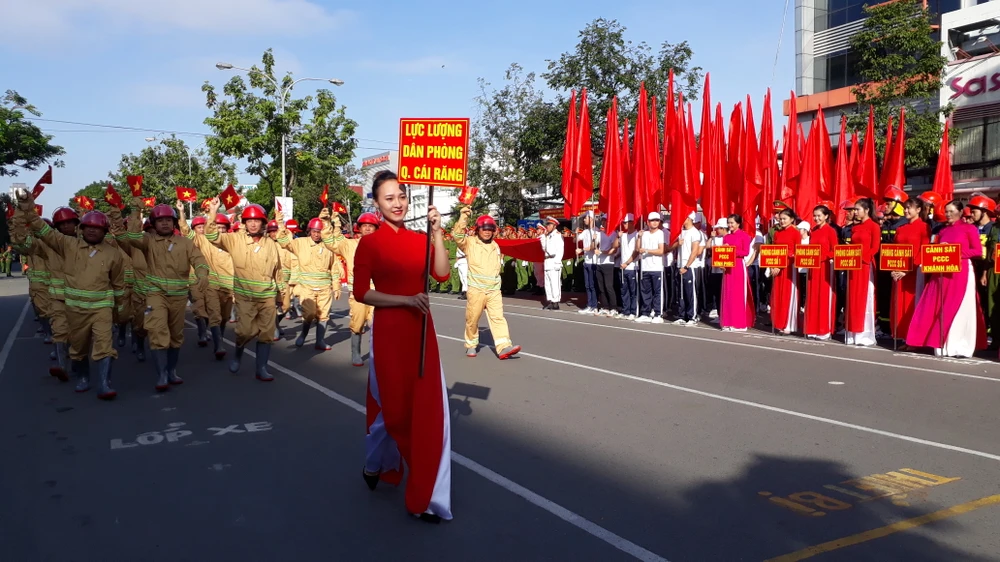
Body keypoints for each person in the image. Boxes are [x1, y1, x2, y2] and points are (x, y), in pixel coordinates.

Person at [353, 170, 452, 523]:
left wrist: (437, 232)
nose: (397, 203)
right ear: (376, 203)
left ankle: (425, 496)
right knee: (394, 412)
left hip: (421, 334)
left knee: (424, 413)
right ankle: (375, 461)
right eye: (389, 198)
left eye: (401, 196)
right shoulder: (370, 243)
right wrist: (405, 300)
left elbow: (442, 274)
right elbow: (361, 292)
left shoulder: (420, 239)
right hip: (390, 333)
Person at [15, 190, 126, 399]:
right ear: (81, 229)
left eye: (97, 228)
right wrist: (27, 206)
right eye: (88, 227)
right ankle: (83, 377)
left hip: (102, 309)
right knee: (78, 348)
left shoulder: (113, 254)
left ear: (104, 231)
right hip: (74, 309)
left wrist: (120, 310)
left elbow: (118, 284)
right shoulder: (68, 245)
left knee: (105, 346)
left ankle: (104, 384)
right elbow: (42, 229)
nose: (92, 231)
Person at [118, 199, 209, 391]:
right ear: (154, 224)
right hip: (155, 294)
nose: (165, 223)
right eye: (160, 221)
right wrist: (135, 210)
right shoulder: (148, 241)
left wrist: (202, 273)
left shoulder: (185, 243)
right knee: (158, 331)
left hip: (179, 296)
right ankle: (161, 375)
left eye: (168, 220)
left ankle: (171, 371)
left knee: (176, 336)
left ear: (174, 222)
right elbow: (132, 235)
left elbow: (199, 260)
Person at [204, 199, 283, 381]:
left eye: (257, 221)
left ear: (263, 223)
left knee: (266, 334)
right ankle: (238, 354)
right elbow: (212, 236)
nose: (253, 224)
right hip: (245, 297)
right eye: (249, 221)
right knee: (245, 332)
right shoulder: (234, 240)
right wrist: (213, 212)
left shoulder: (271, 244)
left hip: (267, 297)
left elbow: (277, 271)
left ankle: (261, 368)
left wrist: (281, 295)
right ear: (244, 223)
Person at [906, 201, 987, 357]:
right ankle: (940, 342)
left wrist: (955, 253)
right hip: (942, 273)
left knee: (958, 306)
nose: (948, 214)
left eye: (951, 211)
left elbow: (977, 251)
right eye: (946, 211)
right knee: (939, 306)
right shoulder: (943, 231)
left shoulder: (969, 228)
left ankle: (959, 345)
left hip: (961, 272)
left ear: (960, 212)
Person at [451, 206, 522, 359]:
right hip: (476, 289)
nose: (487, 231)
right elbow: (457, 235)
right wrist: (464, 216)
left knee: (498, 318)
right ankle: (471, 344)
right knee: (472, 319)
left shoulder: (495, 245)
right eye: (484, 228)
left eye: (490, 229)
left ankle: (503, 346)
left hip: (494, 290)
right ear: (478, 229)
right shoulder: (469, 243)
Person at [275, 214, 341, 350]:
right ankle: (303, 334)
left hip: (325, 288)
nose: (317, 235)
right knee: (309, 314)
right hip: (307, 287)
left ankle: (320, 341)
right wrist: (280, 224)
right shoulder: (300, 243)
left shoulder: (329, 245)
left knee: (323, 315)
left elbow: (334, 267)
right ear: (309, 231)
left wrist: (336, 286)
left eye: (319, 232)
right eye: (314, 231)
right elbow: (284, 242)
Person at [322, 210, 378, 366]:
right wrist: (327, 223)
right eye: (364, 226)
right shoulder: (349, 245)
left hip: (377, 292)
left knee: (376, 324)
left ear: (376, 228)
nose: (367, 228)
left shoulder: (383, 245)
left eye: (371, 226)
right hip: (358, 293)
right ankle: (356, 353)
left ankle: (376, 354)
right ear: (359, 228)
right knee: (357, 323)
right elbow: (330, 242)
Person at [179, 207, 235, 359]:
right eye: (218, 227)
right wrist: (182, 212)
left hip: (229, 287)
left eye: (223, 228)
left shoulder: (231, 242)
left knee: (224, 317)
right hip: (211, 285)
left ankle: (219, 339)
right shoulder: (203, 240)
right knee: (214, 315)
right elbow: (186, 232)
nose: (220, 230)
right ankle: (218, 345)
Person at [890, 198, 930, 349]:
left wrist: (907, 270)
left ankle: (914, 339)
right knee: (899, 304)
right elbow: (894, 251)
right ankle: (902, 335)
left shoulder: (924, 227)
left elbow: (923, 251)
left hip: (914, 272)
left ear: (918, 210)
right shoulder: (900, 228)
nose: (906, 211)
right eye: (905, 208)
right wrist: (893, 267)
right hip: (899, 272)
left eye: (909, 208)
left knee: (912, 304)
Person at [845, 198, 881, 347]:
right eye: (854, 209)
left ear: (867, 210)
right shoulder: (855, 227)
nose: (855, 212)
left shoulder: (874, 226)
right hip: (854, 265)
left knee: (864, 298)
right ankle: (852, 332)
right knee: (853, 298)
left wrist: (862, 257)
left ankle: (864, 333)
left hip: (865, 265)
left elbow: (875, 248)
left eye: (857, 209)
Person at [804, 204, 838, 340]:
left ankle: (824, 330)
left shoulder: (830, 231)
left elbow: (835, 250)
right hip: (813, 268)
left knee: (824, 298)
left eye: (819, 216)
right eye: (814, 216)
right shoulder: (813, 231)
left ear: (826, 216)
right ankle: (812, 328)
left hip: (825, 268)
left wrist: (822, 257)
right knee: (813, 297)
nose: (816, 218)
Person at [719, 214, 755, 332]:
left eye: (732, 223)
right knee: (728, 294)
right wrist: (722, 262)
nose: (730, 225)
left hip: (738, 266)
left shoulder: (744, 236)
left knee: (738, 294)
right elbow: (723, 253)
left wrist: (732, 250)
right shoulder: (726, 237)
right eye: (728, 223)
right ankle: (728, 322)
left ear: (738, 224)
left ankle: (739, 323)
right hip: (728, 267)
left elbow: (745, 252)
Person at [769, 209, 800, 335]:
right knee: (777, 295)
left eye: (784, 219)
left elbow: (797, 252)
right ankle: (778, 322)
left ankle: (788, 324)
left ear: (791, 219)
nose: (781, 221)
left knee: (788, 295)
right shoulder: (777, 233)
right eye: (780, 219)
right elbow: (773, 251)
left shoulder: (796, 233)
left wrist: (781, 264)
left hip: (789, 269)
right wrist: (772, 265)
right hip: (777, 269)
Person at [540, 217, 564, 309]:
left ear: (554, 226)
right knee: (548, 283)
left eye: (549, 225)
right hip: (548, 261)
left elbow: (552, 251)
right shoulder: (549, 236)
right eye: (547, 224)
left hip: (554, 261)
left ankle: (555, 302)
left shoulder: (557, 236)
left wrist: (544, 239)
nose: (547, 226)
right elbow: (544, 249)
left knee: (555, 283)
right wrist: (544, 239)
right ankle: (550, 300)